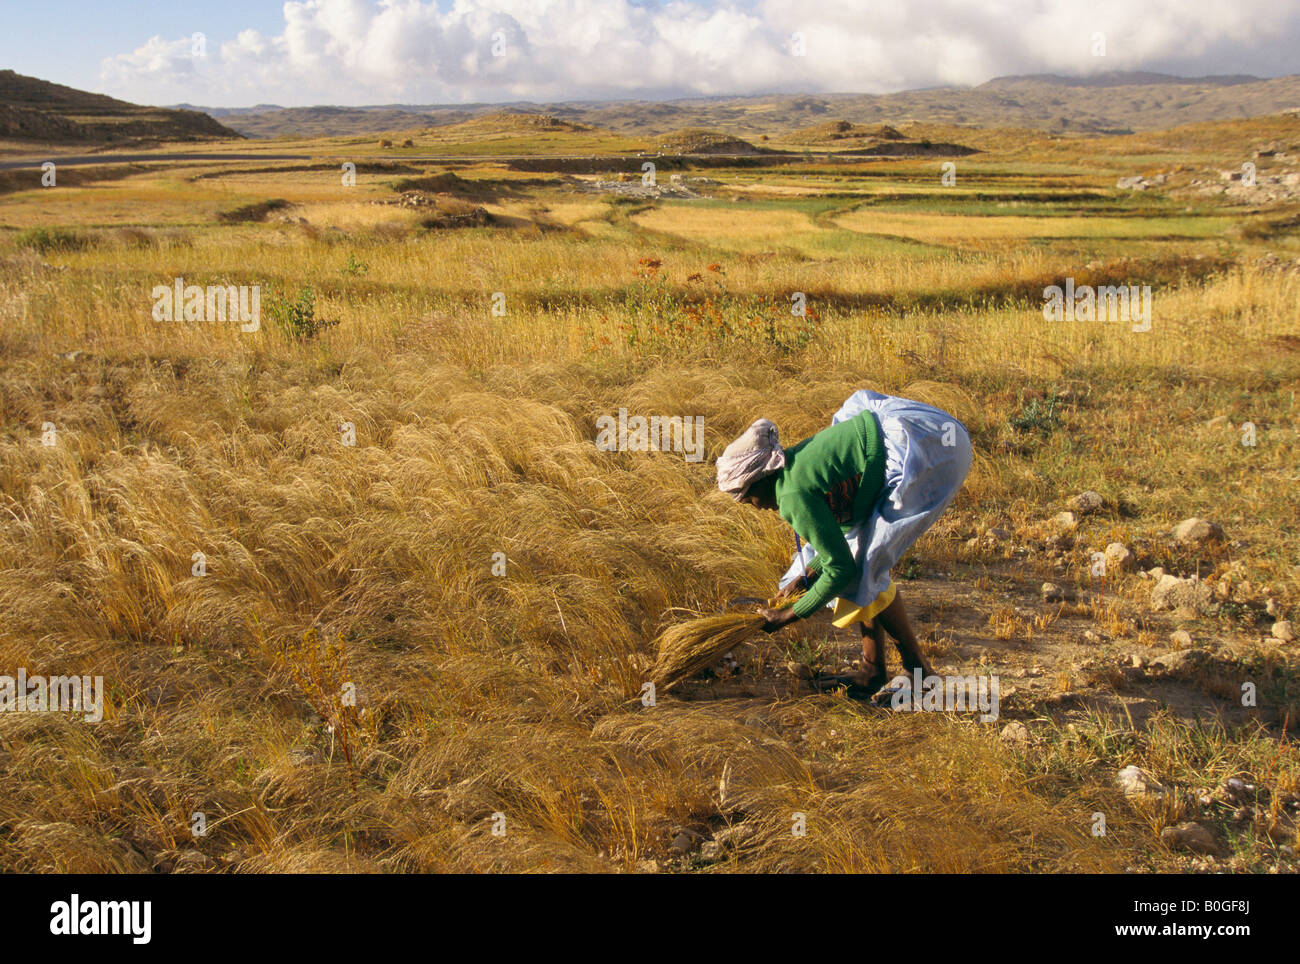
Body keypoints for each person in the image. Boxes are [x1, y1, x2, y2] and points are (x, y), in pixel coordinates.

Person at [716, 389, 972, 698]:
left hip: (924, 451)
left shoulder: (791, 497)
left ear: (760, 478)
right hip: (930, 433)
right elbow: (842, 536)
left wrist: (789, 615)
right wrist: (804, 578)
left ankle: (906, 671)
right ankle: (878, 671)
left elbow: (841, 569)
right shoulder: (794, 467)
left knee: (864, 568)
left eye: (747, 497)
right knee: (861, 558)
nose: (753, 506)